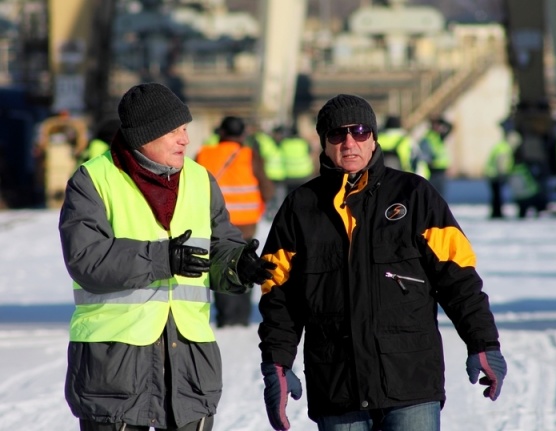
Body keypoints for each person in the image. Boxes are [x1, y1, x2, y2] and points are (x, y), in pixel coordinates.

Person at [257, 94, 507, 431]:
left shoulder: (415, 195)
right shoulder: (299, 208)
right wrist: (277, 365)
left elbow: (458, 278)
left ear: (373, 137)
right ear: (324, 142)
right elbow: (279, 300)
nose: (349, 142)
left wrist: (483, 342)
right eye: (337, 134)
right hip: (337, 388)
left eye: (360, 132)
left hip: (410, 384)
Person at [59, 82, 275, 431]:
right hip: (116, 370)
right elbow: (87, 259)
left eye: (185, 129)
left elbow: (218, 247)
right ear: (144, 135)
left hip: (188, 367)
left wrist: (238, 265)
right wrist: (165, 258)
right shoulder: (92, 181)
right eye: (174, 130)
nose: (185, 139)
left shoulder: (201, 180)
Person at [196, 115, 274, 327]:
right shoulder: (250, 155)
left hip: (214, 223)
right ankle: (242, 314)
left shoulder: (204, 154)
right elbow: (267, 189)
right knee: (245, 262)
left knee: (219, 263)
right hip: (247, 223)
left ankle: (226, 315)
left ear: (220, 132)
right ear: (242, 134)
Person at [485, 122, 515, 219]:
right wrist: (503, 173)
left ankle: (496, 213)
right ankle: (497, 213)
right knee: (498, 196)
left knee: (496, 196)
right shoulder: (504, 147)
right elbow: (500, 161)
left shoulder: (500, 145)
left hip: (491, 174)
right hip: (496, 175)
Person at [419, 116, 452, 198]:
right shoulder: (428, 138)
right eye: (437, 125)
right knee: (433, 195)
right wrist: (430, 162)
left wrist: (442, 120)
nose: (439, 127)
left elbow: (450, 127)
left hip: (441, 170)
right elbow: (424, 154)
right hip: (433, 170)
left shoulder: (439, 136)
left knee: (440, 196)